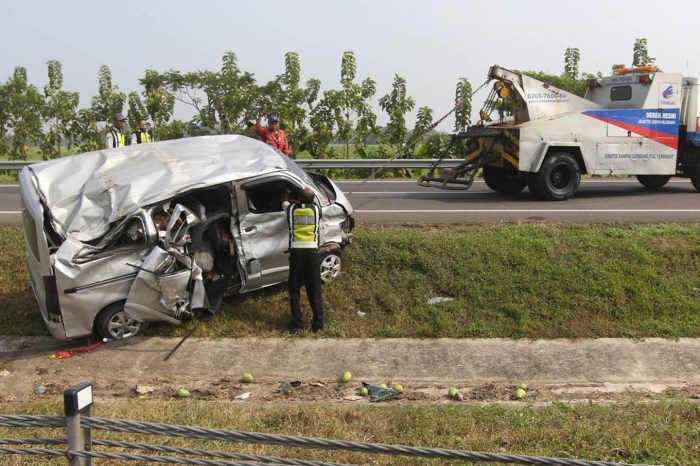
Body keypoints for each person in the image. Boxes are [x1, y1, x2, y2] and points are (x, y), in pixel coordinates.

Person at [283, 187, 325, 333]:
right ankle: (318, 324)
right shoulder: (316, 210)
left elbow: (284, 201)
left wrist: (290, 198)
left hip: (296, 253)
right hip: (312, 253)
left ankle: (296, 325)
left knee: (294, 290)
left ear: (299, 199)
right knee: (315, 289)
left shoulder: (291, 209)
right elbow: (315, 204)